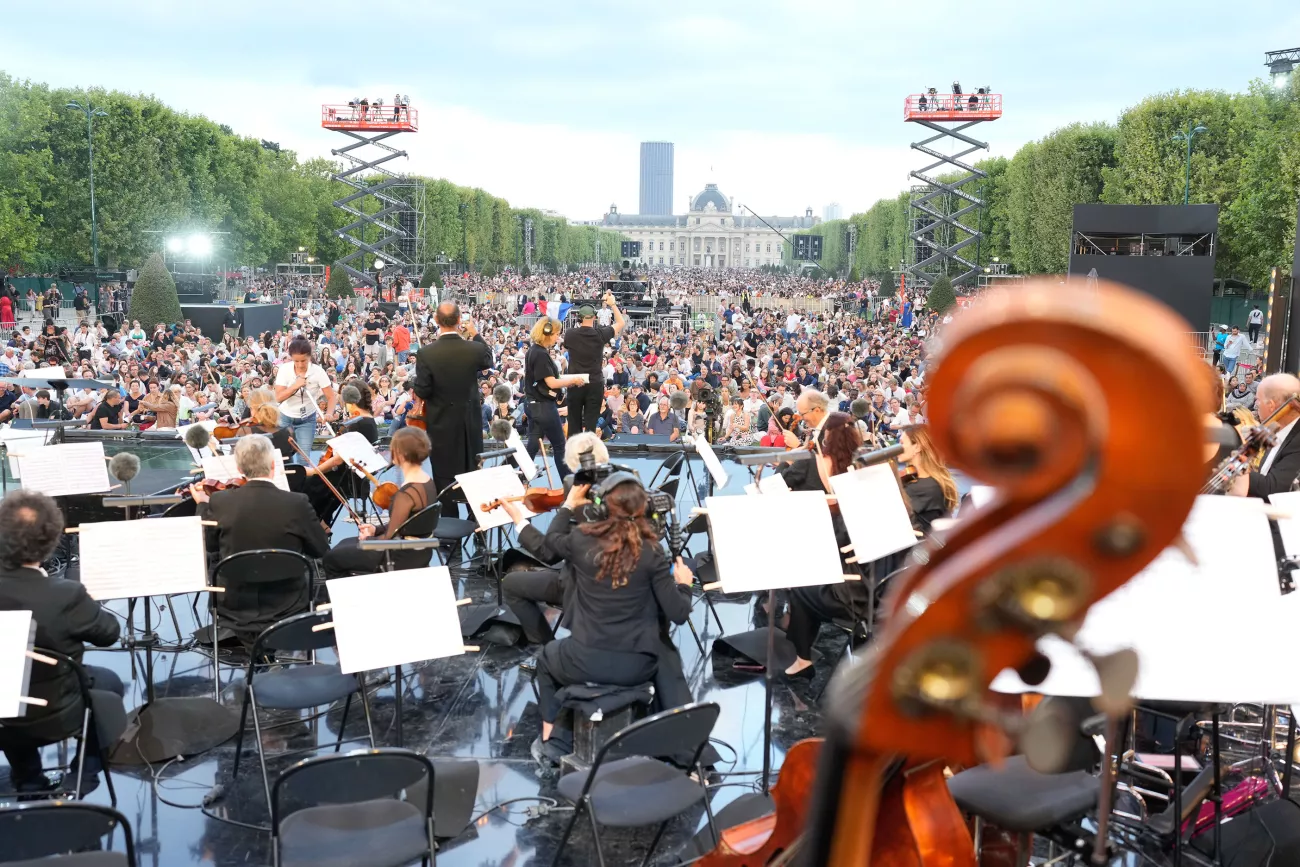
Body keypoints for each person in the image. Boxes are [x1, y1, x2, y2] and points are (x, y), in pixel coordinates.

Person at [530, 475, 695, 763]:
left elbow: (550, 542)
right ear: (643, 509)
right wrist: (684, 584)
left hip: (583, 661)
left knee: (545, 659)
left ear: (602, 508)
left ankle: (551, 741)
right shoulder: (651, 552)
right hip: (637, 667)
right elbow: (678, 613)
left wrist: (568, 506)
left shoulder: (581, 540)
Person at [0, 491, 124, 794]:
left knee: (9, 683)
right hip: (57, 716)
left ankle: (28, 778)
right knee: (110, 682)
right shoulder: (65, 594)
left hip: (4, 720)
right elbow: (109, 633)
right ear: (51, 539)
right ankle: (85, 771)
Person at [190, 435, 329, 646]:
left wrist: (202, 506)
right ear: (273, 466)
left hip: (235, 605)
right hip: (289, 602)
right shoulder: (297, 503)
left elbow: (210, 547)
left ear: (239, 468)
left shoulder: (220, 501)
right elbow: (321, 549)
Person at [323, 427, 439, 577]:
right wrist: (374, 529)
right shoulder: (427, 481)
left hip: (400, 556)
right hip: (419, 551)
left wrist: (370, 539)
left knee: (332, 558)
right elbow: (406, 524)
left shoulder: (406, 493)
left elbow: (389, 538)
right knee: (345, 544)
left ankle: (342, 598)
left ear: (400, 454)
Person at [413, 301, 494, 516]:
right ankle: (478, 524)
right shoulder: (474, 348)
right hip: (470, 424)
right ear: (460, 320)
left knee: (444, 476)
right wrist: (475, 334)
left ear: (436, 320)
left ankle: (451, 531)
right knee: (473, 474)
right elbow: (488, 359)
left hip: (440, 425)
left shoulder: (426, 353)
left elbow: (422, 390)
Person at [302, 382, 380, 525]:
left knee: (306, 486)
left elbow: (338, 460)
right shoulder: (368, 420)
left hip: (346, 479)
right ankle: (323, 524)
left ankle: (319, 526)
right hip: (356, 476)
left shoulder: (357, 423)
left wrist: (314, 471)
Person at [524, 317, 585, 480]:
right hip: (543, 407)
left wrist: (567, 381)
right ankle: (570, 482)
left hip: (533, 405)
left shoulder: (533, 350)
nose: (558, 338)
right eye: (557, 334)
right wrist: (572, 380)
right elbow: (551, 382)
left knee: (533, 444)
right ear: (547, 333)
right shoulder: (540, 354)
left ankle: (519, 476)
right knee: (560, 446)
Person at [1230, 373, 1300, 499]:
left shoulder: (1297, 440)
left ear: (1271, 405)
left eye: (1258, 400)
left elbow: (1274, 487)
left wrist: (1234, 470)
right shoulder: (1277, 430)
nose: (1256, 404)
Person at [564, 292, 625, 434]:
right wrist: (613, 304)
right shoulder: (600, 334)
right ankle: (589, 453)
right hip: (594, 383)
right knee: (591, 424)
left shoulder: (570, 334)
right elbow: (621, 323)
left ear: (579, 318)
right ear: (595, 317)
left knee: (574, 423)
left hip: (575, 382)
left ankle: (573, 453)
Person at [274, 337, 338, 463]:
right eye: (296, 361)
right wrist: (295, 386)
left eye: (304, 360)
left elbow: (331, 397)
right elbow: (278, 397)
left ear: (310, 357)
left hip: (307, 419)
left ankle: (303, 482)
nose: (300, 365)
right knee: (284, 457)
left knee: (304, 458)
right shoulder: (284, 369)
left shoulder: (318, 372)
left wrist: (329, 413)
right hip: (284, 416)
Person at [897, 424, 959, 534]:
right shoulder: (932, 481)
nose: (897, 448)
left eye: (901, 443)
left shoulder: (924, 488)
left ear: (917, 447)